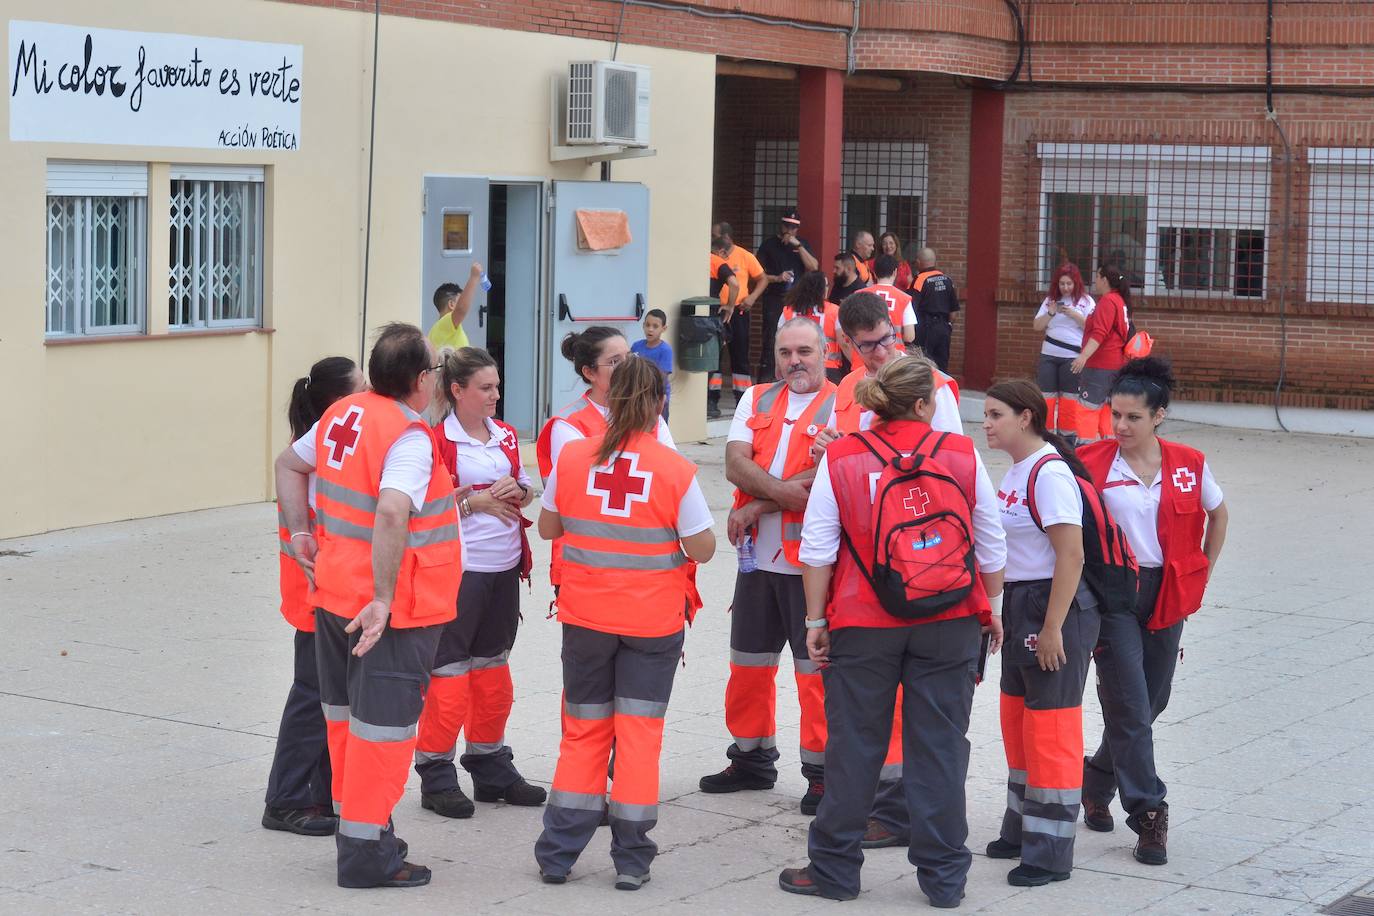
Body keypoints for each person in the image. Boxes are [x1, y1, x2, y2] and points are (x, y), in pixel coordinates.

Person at [777, 356, 1007, 907]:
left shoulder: (843, 455)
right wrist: (992, 606)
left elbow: (818, 550)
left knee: (855, 747)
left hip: (864, 621)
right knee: (941, 748)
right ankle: (945, 879)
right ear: (926, 403)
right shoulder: (960, 453)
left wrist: (815, 621)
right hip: (950, 618)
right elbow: (991, 543)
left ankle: (834, 871)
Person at [275, 322, 462, 889]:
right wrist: (383, 598)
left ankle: (365, 830)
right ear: (422, 380)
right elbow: (391, 511)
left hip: (333, 595)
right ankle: (365, 855)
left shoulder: (343, 413)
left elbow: (289, 464)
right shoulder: (407, 436)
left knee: (345, 723)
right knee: (383, 731)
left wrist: (301, 535)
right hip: (391, 610)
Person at [534, 356, 716, 890]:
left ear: (611, 399)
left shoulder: (571, 457)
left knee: (583, 732)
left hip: (586, 619)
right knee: (638, 739)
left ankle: (558, 854)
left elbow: (548, 527)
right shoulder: (672, 468)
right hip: (652, 625)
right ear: (659, 402)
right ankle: (632, 860)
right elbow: (702, 548)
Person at [1076, 358, 1229, 866]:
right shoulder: (1090, 462)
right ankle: (1148, 813)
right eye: (1114, 414)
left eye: (1132, 418)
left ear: (1158, 416)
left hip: (1167, 593)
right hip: (1112, 594)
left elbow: (1218, 512)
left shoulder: (1189, 462)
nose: (1119, 427)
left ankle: (1095, 778)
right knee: (1131, 706)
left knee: (1151, 703)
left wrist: (1202, 568)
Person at [699, 319, 837, 813]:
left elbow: (827, 474)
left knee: (814, 675)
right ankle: (752, 759)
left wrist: (758, 504)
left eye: (804, 350)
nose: (793, 361)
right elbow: (734, 463)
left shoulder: (844, 405)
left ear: (826, 352)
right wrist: (779, 494)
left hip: (811, 567)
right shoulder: (755, 397)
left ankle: (822, 774)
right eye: (784, 352)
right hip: (757, 561)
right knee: (748, 665)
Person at [413, 348, 545, 819]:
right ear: (457, 391)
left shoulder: (505, 435)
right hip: (458, 571)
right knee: (448, 675)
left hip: (504, 568)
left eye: (497, 386)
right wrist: (475, 504)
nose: (495, 395)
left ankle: (489, 764)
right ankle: (436, 772)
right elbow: (419, 512)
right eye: (485, 388)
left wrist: (521, 491)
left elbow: (532, 486)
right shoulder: (433, 441)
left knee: (492, 672)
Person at [981, 379, 1102, 888]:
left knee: (1051, 731)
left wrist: (1053, 627)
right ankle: (1022, 828)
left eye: (994, 415)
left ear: (1025, 417)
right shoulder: (1019, 469)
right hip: (1022, 604)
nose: (985, 423)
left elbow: (1070, 556)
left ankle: (1050, 853)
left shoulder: (1050, 474)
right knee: (1019, 721)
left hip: (1053, 607)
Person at [264, 356, 364, 839]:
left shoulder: (325, 445)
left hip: (325, 588)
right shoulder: (321, 448)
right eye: (361, 388)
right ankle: (285, 799)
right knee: (311, 695)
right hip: (313, 591)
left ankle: (322, 792)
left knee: (329, 696)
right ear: (340, 403)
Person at [536, 328, 678, 592]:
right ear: (589, 373)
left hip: (646, 567)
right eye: (614, 362)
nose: (627, 368)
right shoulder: (568, 426)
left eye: (629, 357)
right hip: (587, 568)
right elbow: (574, 500)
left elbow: (674, 486)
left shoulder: (652, 416)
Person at [823, 292, 962, 441]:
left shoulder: (930, 381)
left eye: (885, 338)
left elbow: (951, 451)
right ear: (847, 341)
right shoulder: (847, 385)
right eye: (868, 345)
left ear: (891, 325)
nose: (881, 352)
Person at [755, 208, 820, 383]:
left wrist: (797, 245)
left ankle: (794, 377)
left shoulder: (801, 244)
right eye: (787, 227)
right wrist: (777, 277)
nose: (790, 231)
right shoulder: (769, 245)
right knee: (771, 340)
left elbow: (814, 266)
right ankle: (766, 381)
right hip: (775, 298)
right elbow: (756, 275)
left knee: (798, 338)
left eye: (794, 228)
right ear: (781, 225)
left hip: (796, 301)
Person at [1034, 263, 1096, 444]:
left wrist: (1074, 315)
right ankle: (1045, 437)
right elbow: (1037, 326)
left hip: (1072, 357)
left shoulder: (1086, 301)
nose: (1066, 287)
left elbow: (1093, 329)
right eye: (1062, 284)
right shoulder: (1049, 301)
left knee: (1069, 401)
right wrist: (1051, 313)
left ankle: (1067, 440)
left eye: (1069, 284)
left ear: (1076, 283)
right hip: (1049, 355)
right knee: (1047, 398)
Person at [1070, 265, 1131, 443]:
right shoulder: (1119, 301)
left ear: (1104, 280)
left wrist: (1083, 356)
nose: (1094, 281)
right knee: (1107, 408)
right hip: (1115, 365)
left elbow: (1099, 333)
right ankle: (1110, 446)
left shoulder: (1107, 301)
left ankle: (1084, 448)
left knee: (1087, 408)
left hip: (1100, 366)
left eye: (1097, 276)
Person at [716, 223, 767, 408]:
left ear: (727, 237)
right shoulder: (713, 256)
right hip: (717, 311)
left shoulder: (745, 256)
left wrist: (752, 297)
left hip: (739, 310)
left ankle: (742, 401)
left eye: (716, 235)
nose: (712, 238)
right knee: (715, 356)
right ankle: (712, 401)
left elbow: (763, 278)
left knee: (740, 356)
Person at [779, 271, 845, 384]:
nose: (828, 289)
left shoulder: (788, 311)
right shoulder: (834, 311)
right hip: (828, 368)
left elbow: (779, 343)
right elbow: (844, 343)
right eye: (826, 286)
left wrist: (778, 366)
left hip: (795, 367)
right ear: (821, 289)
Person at [912, 248, 960, 372]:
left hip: (926, 329)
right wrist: (947, 327)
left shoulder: (919, 280)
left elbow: (912, 308)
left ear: (918, 262)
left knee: (923, 366)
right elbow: (953, 314)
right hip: (944, 328)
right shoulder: (947, 280)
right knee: (942, 366)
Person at [708, 236, 741, 419]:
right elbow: (735, 284)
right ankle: (709, 403)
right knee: (713, 360)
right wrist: (730, 305)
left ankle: (705, 401)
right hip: (711, 318)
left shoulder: (696, 258)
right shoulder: (717, 262)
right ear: (721, 252)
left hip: (691, 316)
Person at [429, 264, 485, 351]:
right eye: (460, 300)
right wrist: (474, 277)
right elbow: (461, 309)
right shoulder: (444, 323)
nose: (464, 301)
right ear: (451, 304)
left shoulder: (438, 329)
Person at [632, 309, 675, 421]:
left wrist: (659, 399)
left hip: (657, 397)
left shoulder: (665, 350)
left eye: (655, 326)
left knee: (657, 431)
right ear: (643, 325)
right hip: (637, 396)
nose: (650, 329)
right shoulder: (636, 346)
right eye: (647, 325)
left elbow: (662, 377)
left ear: (664, 328)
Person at [867, 254, 918, 349]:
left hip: (865, 356)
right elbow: (910, 336)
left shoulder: (859, 295)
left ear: (874, 272)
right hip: (894, 358)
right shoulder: (904, 299)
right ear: (895, 272)